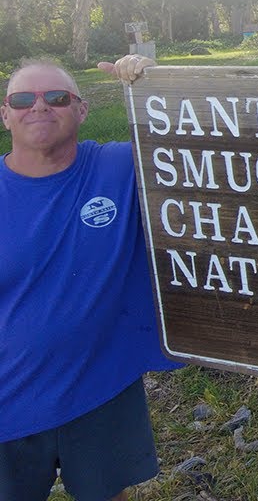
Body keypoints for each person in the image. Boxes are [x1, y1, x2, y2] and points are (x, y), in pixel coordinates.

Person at [1, 54, 179, 501]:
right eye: (23, 99)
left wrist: (156, 82)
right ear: (5, 114)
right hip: (8, 399)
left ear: (82, 109)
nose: (39, 107)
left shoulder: (118, 168)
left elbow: (199, 140)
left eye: (57, 97)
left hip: (100, 387)